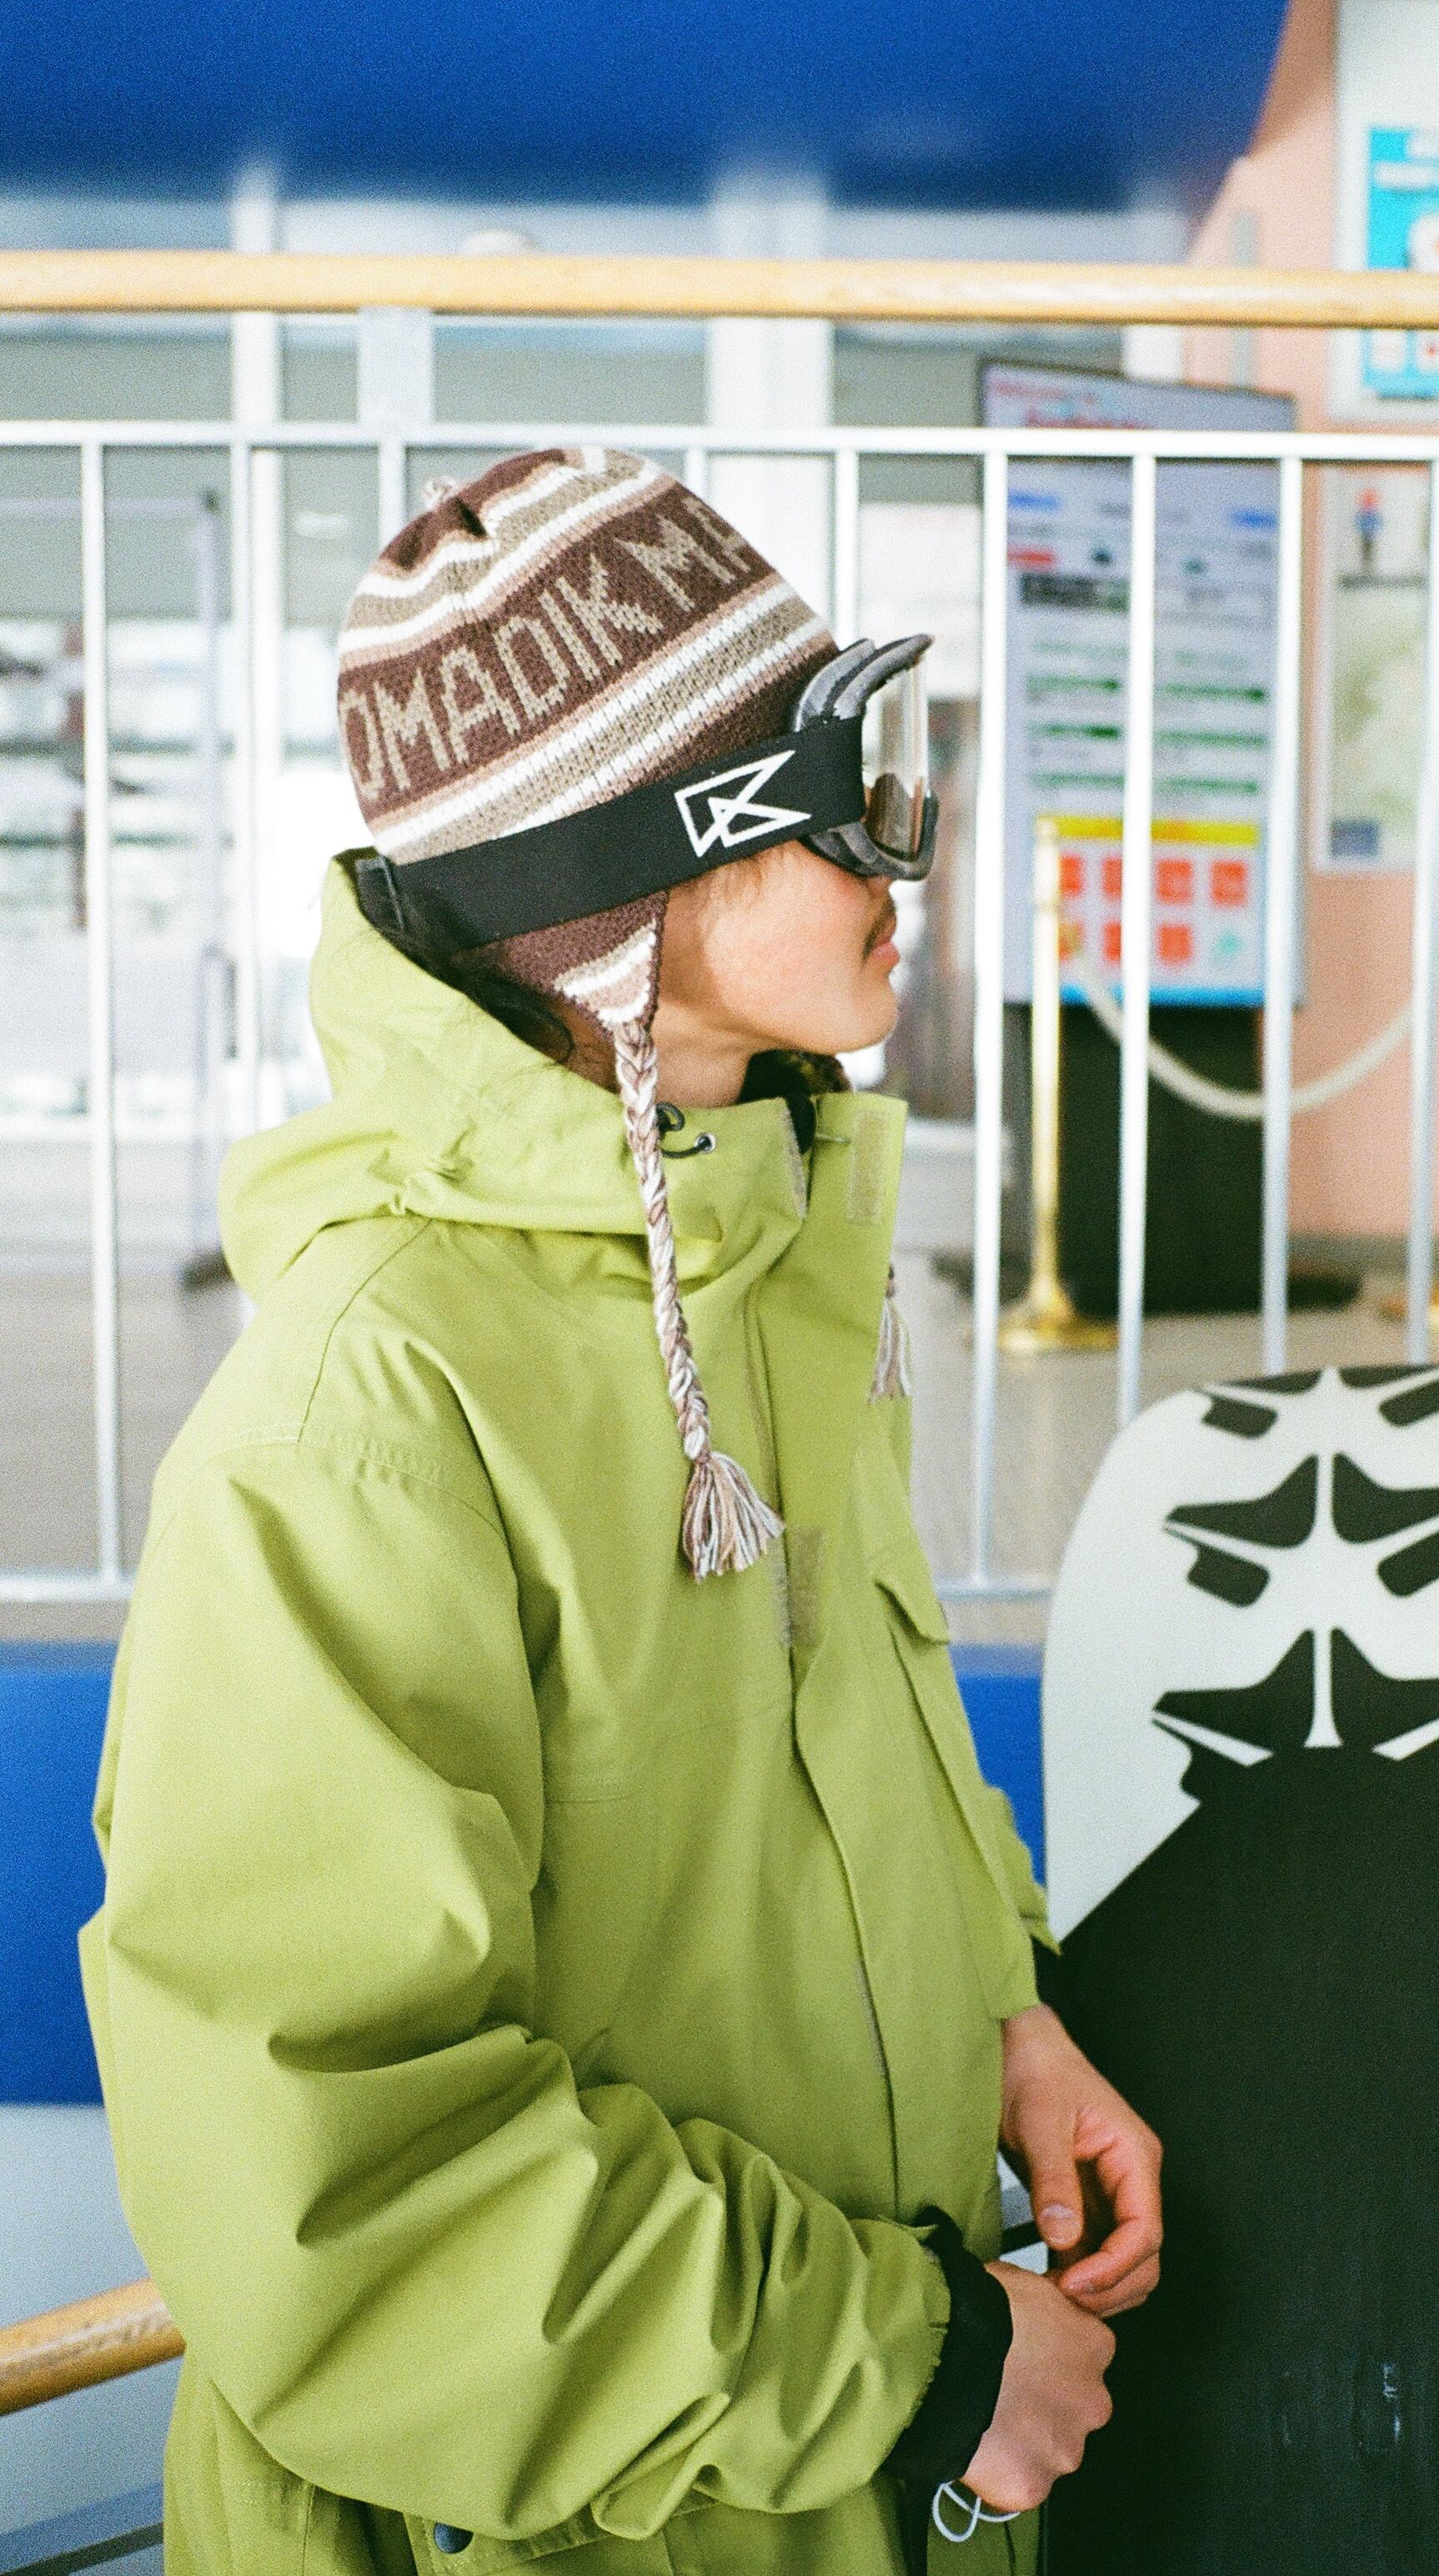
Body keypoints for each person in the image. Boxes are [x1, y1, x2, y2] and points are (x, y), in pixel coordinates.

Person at [80, 447, 1162, 2576]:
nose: (898, 843)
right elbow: (340, 2185)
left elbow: (841, 1787)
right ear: (624, 884)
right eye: (827, 791)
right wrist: (915, 2361)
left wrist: (1001, 2021)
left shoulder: (759, 1263)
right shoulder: (369, 1419)